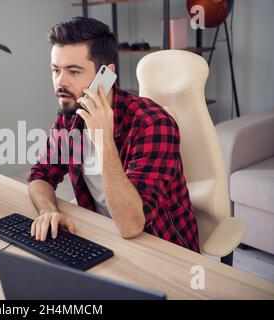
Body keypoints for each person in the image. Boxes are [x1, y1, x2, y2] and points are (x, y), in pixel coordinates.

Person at [27, 17, 200, 252]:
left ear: (105, 76)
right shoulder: (71, 113)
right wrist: (48, 211)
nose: (61, 82)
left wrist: (103, 139)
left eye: (74, 71)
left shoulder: (153, 124)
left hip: (162, 248)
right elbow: (41, 175)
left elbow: (131, 226)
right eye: (56, 70)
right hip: (102, 234)